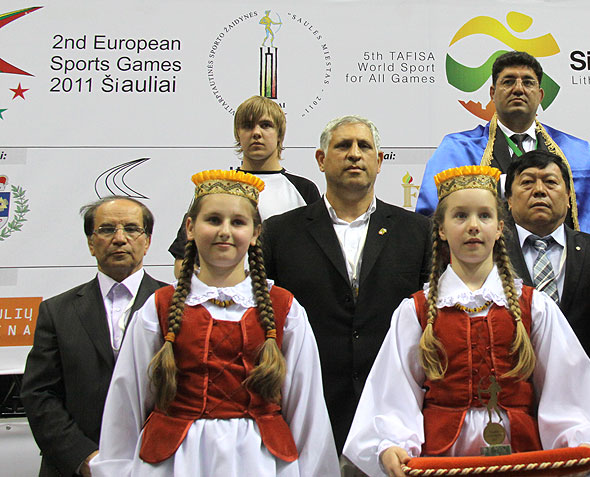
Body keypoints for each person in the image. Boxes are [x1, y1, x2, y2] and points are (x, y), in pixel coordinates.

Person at [344, 166, 590, 477]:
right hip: (442, 462)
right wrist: (392, 443)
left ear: (499, 228)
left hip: (521, 460)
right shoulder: (417, 311)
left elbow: (568, 388)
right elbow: (393, 393)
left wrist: (581, 439)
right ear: (441, 229)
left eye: (484, 216)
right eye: (460, 216)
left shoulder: (534, 307)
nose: (473, 226)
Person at [91, 170, 338, 476]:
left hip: (260, 462)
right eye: (213, 220)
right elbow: (125, 405)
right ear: (190, 228)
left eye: (238, 222)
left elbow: (307, 409)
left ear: (256, 232)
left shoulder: (284, 309)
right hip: (174, 463)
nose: (225, 231)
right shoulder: (159, 307)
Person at [262, 115, 431, 458]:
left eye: (364, 146)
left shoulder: (417, 232)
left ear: (379, 161)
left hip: (394, 419)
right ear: (321, 159)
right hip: (306, 414)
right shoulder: (279, 233)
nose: (354, 154)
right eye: (343, 146)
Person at [21, 197, 166, 477]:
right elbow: (39, 394)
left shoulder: (177, 305)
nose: (120, 238)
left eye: (131, 229)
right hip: (75, 467)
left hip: (157, 463)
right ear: (91, 243)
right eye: (107, 229)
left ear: (147, 241)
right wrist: (83, 458)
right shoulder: (56, 311)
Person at [416, 51, 590, 238]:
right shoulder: (458, 148)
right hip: (489, 260)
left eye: (528, 83)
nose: (519, 89)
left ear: (540, 95)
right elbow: (435, 216)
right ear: (492, 93)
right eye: (508, 82)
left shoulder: (575, 151)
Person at [169, 96, 319, 276]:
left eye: (266, 125)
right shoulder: (216, 187)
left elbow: (318, 257)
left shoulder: (304, 189)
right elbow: (183, 264)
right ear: (237, 135)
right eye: (248, 126)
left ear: (280, 134)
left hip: (285, 292)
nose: (256, 133)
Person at [504, 150, 590, 373]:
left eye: (550, 182)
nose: (539, 190)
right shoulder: (491, 256)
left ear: (569, 197)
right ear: (509, 200)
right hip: (512, 382)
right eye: (527, 183)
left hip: (586, 383)